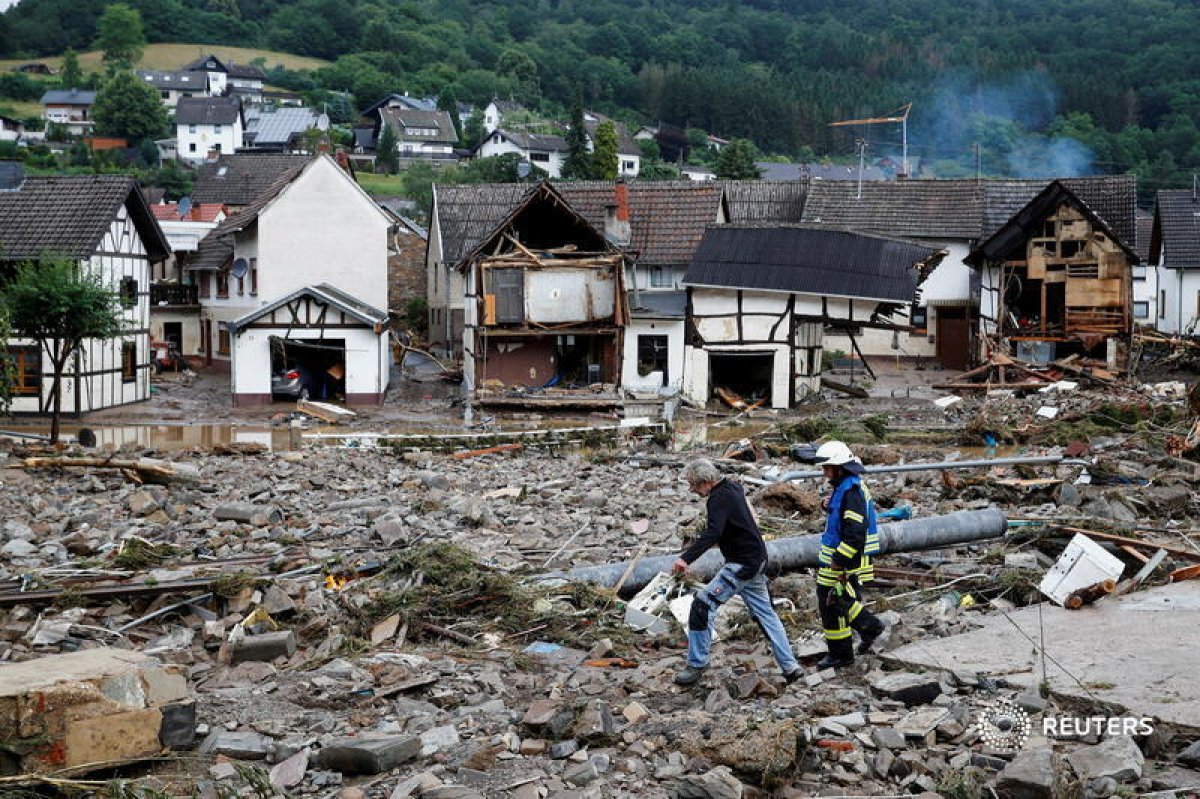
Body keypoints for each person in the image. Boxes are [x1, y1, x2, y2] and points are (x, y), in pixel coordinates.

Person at [672, 458, 802, 686]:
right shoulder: (732, 486)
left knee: (702, 606)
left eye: (693, 484)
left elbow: (713, 533)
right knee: (766, 615)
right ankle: (790, 668)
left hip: (741, 565)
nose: (692, 489)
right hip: (757, 560)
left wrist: (685, 558)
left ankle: (697, 664)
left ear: (706, 482)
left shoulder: (717, 499)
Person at [813, 441, 887, 669]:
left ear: (841, 467)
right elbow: (842, 517)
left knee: (837, 601)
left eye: (828, 467)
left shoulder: (851, 491)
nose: (825, 472)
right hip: (837, 558)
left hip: (845, 560)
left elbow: (855, 533)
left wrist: (840, 560)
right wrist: (828, 505)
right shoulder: (845, 486)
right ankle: (843, 652)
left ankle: (869, 629)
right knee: (833, 601)